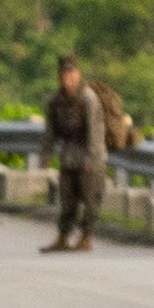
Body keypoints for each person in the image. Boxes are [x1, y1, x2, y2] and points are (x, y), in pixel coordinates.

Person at [38, 59, 124, 253]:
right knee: (67, 199)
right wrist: (45, 154)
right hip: (69, 155)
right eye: (63, 74)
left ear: (77, 74)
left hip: (91, 156)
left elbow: (96, 132)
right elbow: (50, 131)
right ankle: (62, 237)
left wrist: (90, 159)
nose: (66, 78)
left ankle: (86, 237)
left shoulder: (89, 99)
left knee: (90, 199)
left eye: (70, 74)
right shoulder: (56, 101)